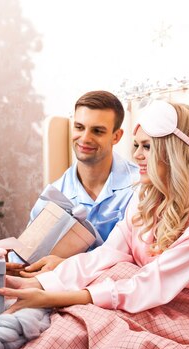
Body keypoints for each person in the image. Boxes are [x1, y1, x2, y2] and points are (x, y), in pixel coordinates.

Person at [0, 100, 189, 313]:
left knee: (83, 327)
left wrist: (57, 298)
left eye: (147, 147)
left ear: (173, 153)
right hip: (155, 296)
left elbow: (153, 283)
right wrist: (43, 283)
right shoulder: (144, 195)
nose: (137, 156)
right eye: (136, 146)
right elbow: (108, 253)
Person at [7, 90, 139, 276]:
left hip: (119, 289)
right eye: (79, 127)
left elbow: (143, 260)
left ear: (116, 136)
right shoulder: (54, 195)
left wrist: (67, 266)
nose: (85, 138)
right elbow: (24, 259)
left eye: (97, 131)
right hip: (54, 291)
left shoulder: (140, 188)